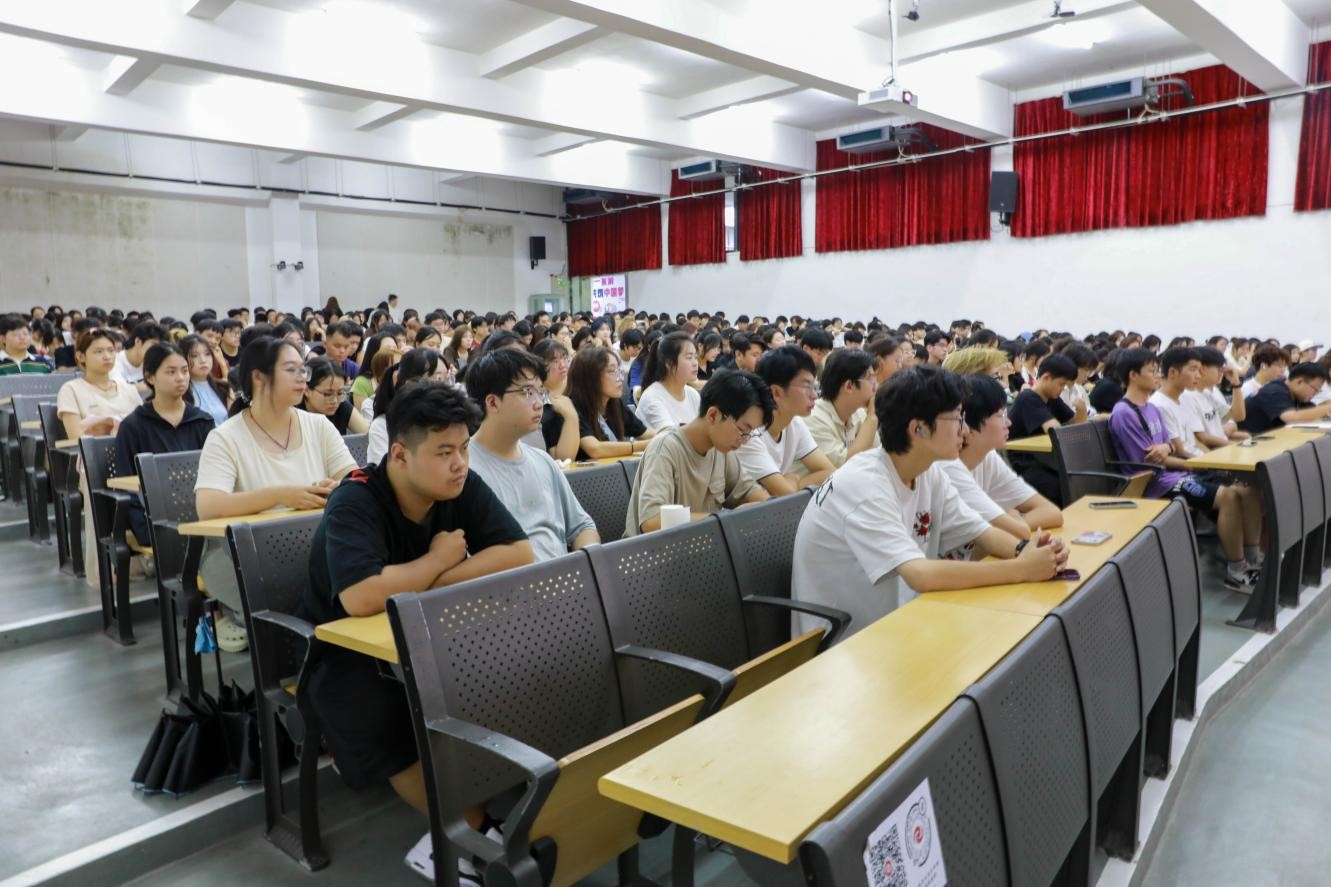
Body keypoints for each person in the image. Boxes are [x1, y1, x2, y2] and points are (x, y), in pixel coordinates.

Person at [791, 366, 1067, 638]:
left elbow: (982, 532)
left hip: (903, 621)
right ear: (918, 429)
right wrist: (1022, 569)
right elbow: (920, 575)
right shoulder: (864, 484)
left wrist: (1029, 552)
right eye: (957, 418)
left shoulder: (928, 472)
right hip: (849, 643)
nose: (965, 430)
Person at [196, 337, 358, 652]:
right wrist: (280, 495)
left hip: (315, 546)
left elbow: (355, 478)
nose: (302, 378)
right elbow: (208, 506)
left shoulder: (318, 426)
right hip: (242, 557)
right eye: (291, 370)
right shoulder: (225, 438)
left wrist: (340, 487)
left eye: (303, 370)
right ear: (259, 377)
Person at [1107, 347, 1264, 592]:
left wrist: (1169, 448)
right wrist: (1195, 464)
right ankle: (1237, 570)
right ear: (1133, 376)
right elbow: (1149, 463)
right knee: (1229, 496)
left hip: (1175, 474)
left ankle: (1253, 558)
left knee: (1248, 489)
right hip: (1155, 483)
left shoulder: (1150, 408)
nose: (1157, 375)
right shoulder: (1124, 413)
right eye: (1152, 371)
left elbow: (1168, 446)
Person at [465, 349, 599, 560]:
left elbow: (582, 526)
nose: (539, 403)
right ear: (492, 403)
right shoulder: (463, 470)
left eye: (540, 392)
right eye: (527, 392)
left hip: (566, 577)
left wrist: (588, 562)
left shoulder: (543, 460)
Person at [624, 370, 772, 536]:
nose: (744, 440)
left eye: (750, 433)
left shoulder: (721, 448)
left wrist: (766, 506)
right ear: (713, 415)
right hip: (656, 550)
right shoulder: (665, 448)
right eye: (743, 430)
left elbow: (747, 490)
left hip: (702, 544)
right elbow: (652, 522)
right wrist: (726, 519)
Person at [57, 329, 145, 589]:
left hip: (132, 459)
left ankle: (152, 560)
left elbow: (143, 430)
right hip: (93, 464)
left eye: (110, 350)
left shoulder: (128, 390)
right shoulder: (71, 389)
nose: (107, 356)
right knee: (96, 487)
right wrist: (109, 424)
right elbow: (76, 435)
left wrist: (105, 425)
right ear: (81, 356)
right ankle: (103, 571)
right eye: (98, 351)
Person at [941, 375, 1063, 549]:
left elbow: (1053, 513)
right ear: (970, 426)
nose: (1009, 422)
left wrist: (1013, 517)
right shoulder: (948, 467)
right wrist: (1011, 516)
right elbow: (1020, 531)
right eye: (1000, 415)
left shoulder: (987, 457)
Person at [114, 343, 214, 549]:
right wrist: (145, 530)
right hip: (156, 519)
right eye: (171, 372)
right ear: (150, 377)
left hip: (203, 515)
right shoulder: (133, 426)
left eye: (184, 370)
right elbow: (126, 486)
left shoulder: (202, 421)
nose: (181, 378)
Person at [739, 346, 835, 495]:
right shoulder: (748, 432)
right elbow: (785, 494)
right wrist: (791, 482)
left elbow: (830, 472)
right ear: (777, 392)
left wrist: (796, 482)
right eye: (807, 386)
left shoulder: (794, 422)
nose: (814, 395)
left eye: (815, 386)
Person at [1007, 353, 1082, 504]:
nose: (1062, 389)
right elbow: (1055, 432)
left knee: (1080, 479)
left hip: (1046, 460)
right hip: (1025, 465)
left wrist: (1081, 411)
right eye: (1061, 384)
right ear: (1047, 377)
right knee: (1063, 487)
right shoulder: (1028, 398)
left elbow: (1076, 425)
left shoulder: (1052, 398)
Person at [366, 349, 453, 465]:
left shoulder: (449, 420)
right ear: (411, 384)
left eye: (447, 378)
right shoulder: (382, 426)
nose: (445, 387)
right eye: (438, 379)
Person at [566, 346, 654, 461]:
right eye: (612, 371)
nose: (620, 378)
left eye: (619, 370)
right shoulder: (572, 407)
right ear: (590, 377)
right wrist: (643, 445)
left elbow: (646, 434)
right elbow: (595, 449)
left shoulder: (614, 404)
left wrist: (664, 438)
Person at [804, 347, 879, 468]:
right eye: (870, 379)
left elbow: (877, 454)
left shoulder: (858, 412)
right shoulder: (814, 418)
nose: (876, 386)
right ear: (849, 386)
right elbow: (843, 467)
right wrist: (872, 418)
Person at [634, 331, 701, 431]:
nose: (695, 363)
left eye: (695, 357)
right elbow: (671, 437)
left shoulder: (692, 394)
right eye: (689, 357)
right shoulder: (652, 398)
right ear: (669, 364)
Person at [1184, 345, 1248, 449]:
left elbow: (1238, 416)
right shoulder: (1187, 396)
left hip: (1223, 447)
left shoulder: (1208, 393)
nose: (1222, 374)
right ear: (1203, 369)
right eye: (1219, 369)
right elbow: (1202, 438)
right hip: (1213, 452)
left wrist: (1236, 384)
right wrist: (1235, 446)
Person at [1149, 346, 1207, 458]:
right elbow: (1179, 452)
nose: (1198, 376)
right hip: (1188, 464)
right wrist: (1211, 463)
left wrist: (1212, 457)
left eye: (1199, 370)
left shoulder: (1184, 398)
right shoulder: (1160, 405)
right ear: (1172, 372)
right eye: (1193, 369)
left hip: (1199, 459)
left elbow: (1194, 442)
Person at [1241, 362, 1331, 433]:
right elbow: (1293, 418)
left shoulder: (1297, 396)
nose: (1315, 393)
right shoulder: (1275, 391)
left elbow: (1310, 411)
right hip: (1245, 442)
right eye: (1316, 389)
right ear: (1299, 382)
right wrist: (1328, 407)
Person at [531, 338, 581, 462]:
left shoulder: (577, 390)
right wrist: (571, 416)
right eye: (555, 361)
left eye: (564, 358)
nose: (562, 365)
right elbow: (561, 459)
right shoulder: (540, 404)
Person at [302, 356, 370, 435]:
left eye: (340, 393)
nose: (335, 401)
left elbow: (369, 435)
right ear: (306, 390)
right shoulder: (293, 413)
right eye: (328, 394)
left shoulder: (342, 406)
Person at [179, 334, 233, 427]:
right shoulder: (180, 391)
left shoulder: (223, 387)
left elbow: (233, 420)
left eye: (207, 354)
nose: (203, 360)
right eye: (194, 355)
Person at [110, 321, 166, 387]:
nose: (157, 350)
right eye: (154, 345)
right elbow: (118, 388)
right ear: (138, 342)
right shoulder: (115, 362)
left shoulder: (153, 362)